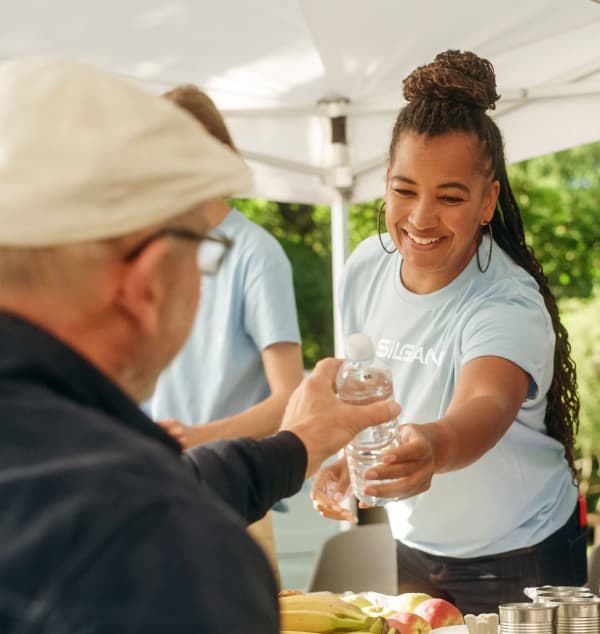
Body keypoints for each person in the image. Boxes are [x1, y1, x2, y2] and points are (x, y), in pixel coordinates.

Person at [0, 56, 401, 633]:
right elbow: (148, 509)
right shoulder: (169, 555)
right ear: (152, 281)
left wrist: (298, 443)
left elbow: (178, 482)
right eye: (201, 253)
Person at [311, 49, 585, 613]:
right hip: (414, 545)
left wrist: (432, 446)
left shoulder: (506, 301)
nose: (421, 218)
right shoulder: (365, 267)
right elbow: (372, 384)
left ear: (488, 202)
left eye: (451, 197)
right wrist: (354, 459)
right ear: (385, 183)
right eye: (406, 189)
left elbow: (484, 404)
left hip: (523, 554)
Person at [150, 86, 304, 575]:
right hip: (155, 497)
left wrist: (198, 438)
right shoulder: (151, 254)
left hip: (236, 504)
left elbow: (289, 397)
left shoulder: (257, 255)